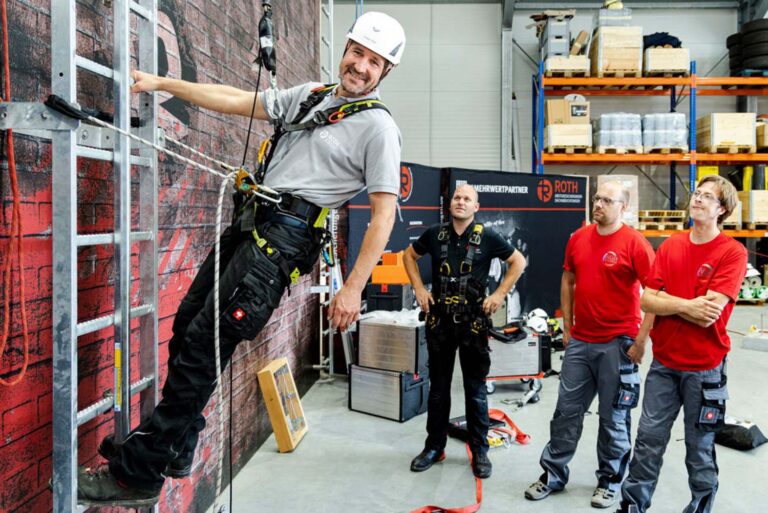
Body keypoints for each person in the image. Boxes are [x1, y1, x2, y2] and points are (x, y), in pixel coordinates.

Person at [76, 11, 406, 507]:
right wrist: (165, 83)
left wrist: (353, 287)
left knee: (203, 347)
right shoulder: (313, 96)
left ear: (385, 72)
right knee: (188, 327)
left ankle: (137, 473)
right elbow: (238, 100)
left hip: (282, 242)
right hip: (252, 222)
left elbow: (383, 215)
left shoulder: (378, 129)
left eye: (374, 62)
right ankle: (176, 444)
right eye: (357, 52)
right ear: (346, 50)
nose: (361, 66)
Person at [616, 175, 747, 513]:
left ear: (722, 209)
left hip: (705, 368)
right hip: (664, 364)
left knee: (699, 447)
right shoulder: (671, 246)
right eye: (697, 193)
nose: (698, 199)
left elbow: (708, 316)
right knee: (648, 441)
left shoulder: (732, 252)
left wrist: (668, 301)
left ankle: (700, 506)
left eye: (707, 197)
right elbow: (646, 301)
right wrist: (688, 304)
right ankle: (633, 505)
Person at [525, 181, 655, 509]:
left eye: (607, 200)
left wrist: (641, 341)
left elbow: (655, 294)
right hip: (581, 342)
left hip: (619, 344)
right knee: (566, 413)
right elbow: (568, 280)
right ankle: (553, 475)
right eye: (597, 198)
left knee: (614, 418)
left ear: (623, 207)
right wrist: (568, 327)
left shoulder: (635, 244)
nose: (598, 204)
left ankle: (610, 481)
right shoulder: (579, 238)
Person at [403, 184, 526, 479]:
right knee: (438, 390)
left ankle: (480, 450)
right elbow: (408, 256)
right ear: (450, 204)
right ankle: (434, 447)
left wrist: (499, 294)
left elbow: (517, 261)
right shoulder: (435, 234)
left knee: (475, 390)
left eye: (467, 198)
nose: (461, 201)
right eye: (457, 197)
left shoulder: (488, 237)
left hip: (473, 324)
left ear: (476, 206)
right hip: (440, 323)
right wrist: (419, 288)